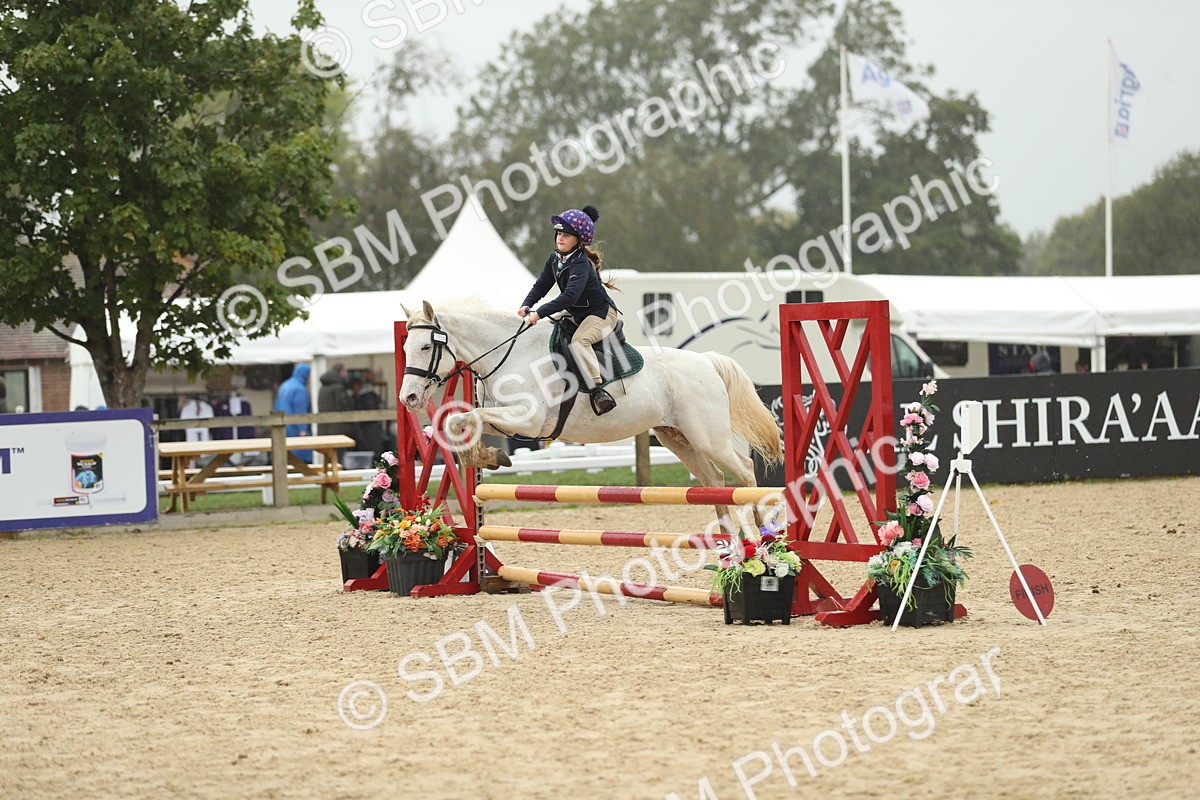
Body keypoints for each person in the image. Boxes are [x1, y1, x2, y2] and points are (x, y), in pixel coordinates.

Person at [518, 205, 621, 415]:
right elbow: (541, 285)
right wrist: (527, 304)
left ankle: (597, 391)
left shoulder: (581, 264)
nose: (560, 238)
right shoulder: (554, 259)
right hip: (578, 314)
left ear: (579, 240)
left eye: (566, 235)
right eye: (558, 233)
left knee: (579, 341)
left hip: (601, 314)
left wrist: (539, 312)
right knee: (548, 330)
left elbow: (569, 297)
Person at [274, 363, 313, 462]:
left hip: (282, 428)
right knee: (300, 461)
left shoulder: (284, 386)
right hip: (295, 430)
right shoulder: (300, 390)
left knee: (285, 458)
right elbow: (300, 411)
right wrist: (303, 430)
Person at [317, 362, 353, 461]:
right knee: (338, 458)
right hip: (337, 428)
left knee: (328, 457)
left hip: (325, 427)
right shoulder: (338, 387)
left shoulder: (323, 387)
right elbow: (343, 406)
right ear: (340, 372)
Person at [350, 371, 384, 460]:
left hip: (369, 427)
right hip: (366, 428)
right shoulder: (364, 396)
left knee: (372, 450)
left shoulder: (367, 396)